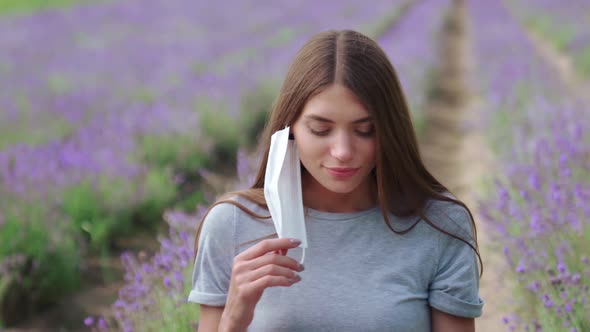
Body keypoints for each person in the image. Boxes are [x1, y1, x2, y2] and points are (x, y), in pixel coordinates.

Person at [188, 29, 484, 331]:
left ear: (390, 130)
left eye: (365, 130)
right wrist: (234, 318)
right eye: (320, 129)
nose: (343, 152)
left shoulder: (439, 225)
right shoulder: (231, 225)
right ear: (289, 129)